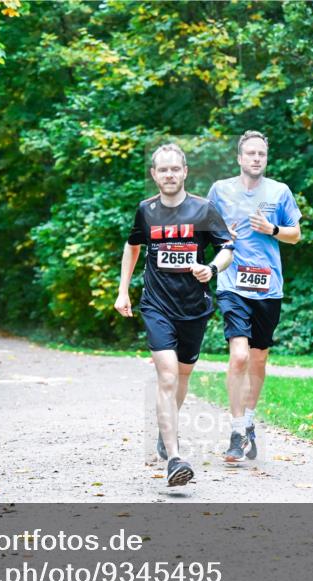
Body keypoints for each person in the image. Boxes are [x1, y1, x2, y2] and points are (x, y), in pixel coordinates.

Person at [114, 143, 235, 487]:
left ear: (184, 172)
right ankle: (175, 457)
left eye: (174, 169)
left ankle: (165, 431)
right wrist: (123, 290)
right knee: (166, 376)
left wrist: (210, 268)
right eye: (162, 169)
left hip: (194, 308)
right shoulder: (146, 211)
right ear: (154, 174)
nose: (169, 174)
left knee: (181, 377)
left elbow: (227, 248)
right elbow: (132, 245)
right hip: (156, 305)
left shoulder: (203, 210)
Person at [206, 131, 302, 462]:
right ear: (239, 158)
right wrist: (220, 235)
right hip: (233, 283)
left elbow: (295, 235)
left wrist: (272, 230)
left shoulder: (280, 192)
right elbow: (204, 228)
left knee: (259, 358)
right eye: (250, 153)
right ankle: (235, 432)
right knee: (240, 357)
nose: (256, 158)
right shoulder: (220, 190)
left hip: (268, 287)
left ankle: (248, 423)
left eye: (261, 153)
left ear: (266, 158)